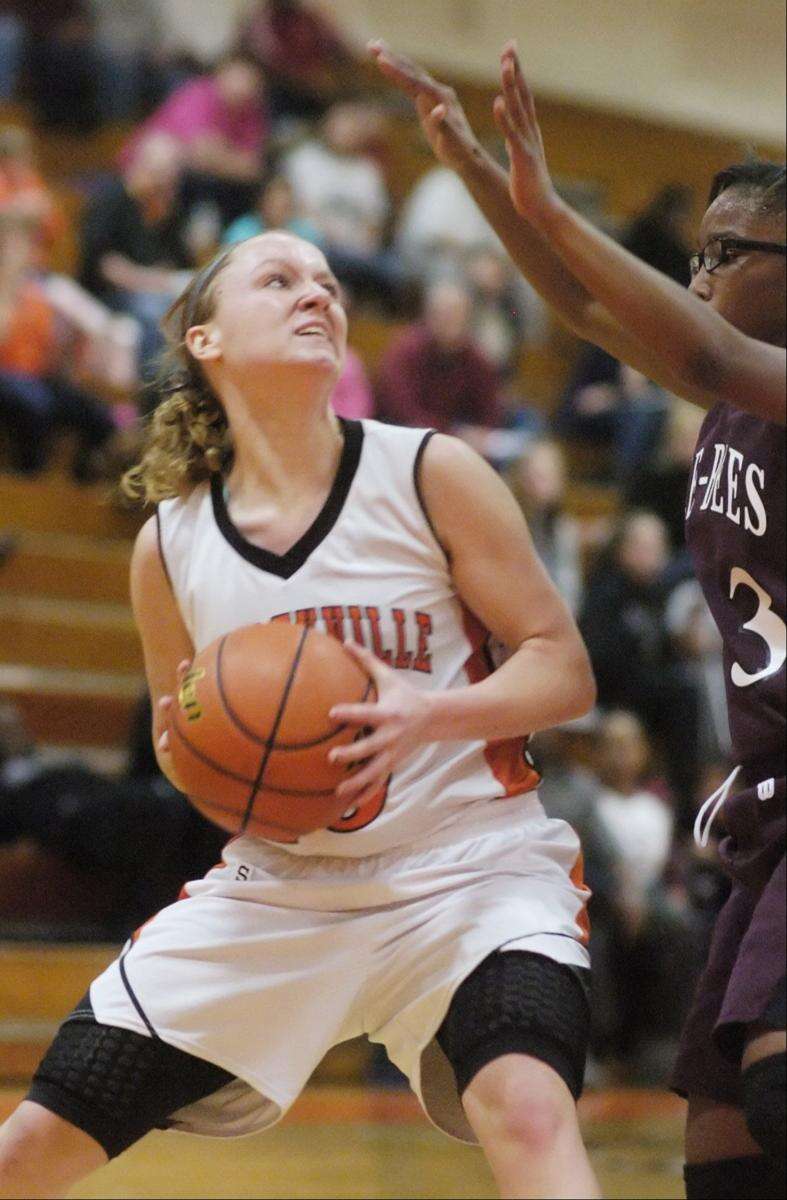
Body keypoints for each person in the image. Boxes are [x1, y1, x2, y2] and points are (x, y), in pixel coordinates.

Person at [0, 230, 600, 1200]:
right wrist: (233, 761)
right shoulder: (169, 545)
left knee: (529, 1111)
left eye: (327, 283)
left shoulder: (429, 473)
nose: (316, 295)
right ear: (205, 341)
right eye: (278, 280)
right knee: (26, 1150)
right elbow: (176, 744)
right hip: (279, 889)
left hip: (469, 869)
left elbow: (562, 668)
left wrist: (429, 714)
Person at [371, 39, 785, 1200]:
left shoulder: (741, 370)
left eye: (726, 253)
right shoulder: (726, 393)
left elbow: (702, 343)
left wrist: (552, 203)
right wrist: (479, 173)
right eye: (698, 252)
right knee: (724, 1158)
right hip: (767, 804)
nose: (698, 275)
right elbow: (578, 301)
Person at [376, 277, 503, 433]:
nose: (449, 320)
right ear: (427, 315)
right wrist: (451, 433)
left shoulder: (476, 358)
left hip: (457, 437)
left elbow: (490, 411)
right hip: (405, 437)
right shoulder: (404, 352)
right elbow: (402, 411)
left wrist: (480, 433)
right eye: (442, 313)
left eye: (456, 314)